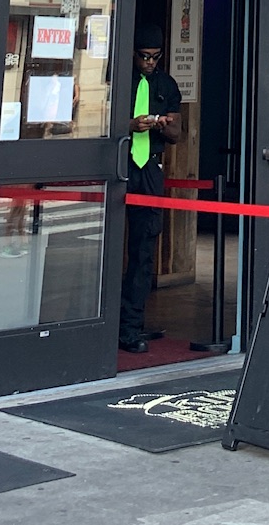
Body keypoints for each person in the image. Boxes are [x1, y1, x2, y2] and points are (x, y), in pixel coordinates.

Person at [119, 24, 182, 354]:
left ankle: (131, 325)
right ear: (133, 53)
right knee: (109, 244)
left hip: (149, 167)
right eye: (144, 56)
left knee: (144, 247)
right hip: (120, 163)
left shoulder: (165, 84)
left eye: (155, 57)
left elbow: (177, 134)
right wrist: (131, 125)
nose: (150, 62)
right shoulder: (119, 79)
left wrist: (163, 125)